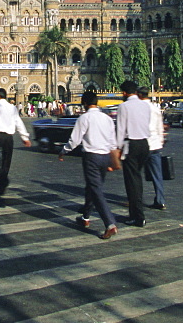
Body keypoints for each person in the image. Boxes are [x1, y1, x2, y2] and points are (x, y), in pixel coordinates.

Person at [59, 90, 120, 240]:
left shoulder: (84, 118)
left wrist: (63, 151)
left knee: (96, 190)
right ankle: (85, 216)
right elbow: (113, 142)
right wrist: (113, 160)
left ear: (84, 103)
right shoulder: (106, 119)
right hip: (105, 156)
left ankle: (110, 223)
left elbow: (75, 140)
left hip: (91, 157)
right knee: (92, 188)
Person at [116, 79, 151, 227]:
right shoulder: (146, 105)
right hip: (144, 144)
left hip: (131, 144)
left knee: (132, 182)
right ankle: (135, 214)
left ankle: (138, 216)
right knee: (137, 180)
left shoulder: (124, 107)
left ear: (124, 92)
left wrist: (117, 148)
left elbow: (120, 129)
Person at [0, 88, 31, 197]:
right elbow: (18, 122)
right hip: (9, 138)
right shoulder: (12, 108)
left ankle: (3, 180)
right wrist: (24, 137)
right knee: (6, 163)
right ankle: (0, 188)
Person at [138, 86, 167, 211]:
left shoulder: (139, 109)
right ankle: (160, 200)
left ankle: (135, 199)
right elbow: (160, 127)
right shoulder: (155, 108)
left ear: (139, 95)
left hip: (142, 145)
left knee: (135, 174)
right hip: (155, 145)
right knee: (157, 175)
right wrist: (160, 141)